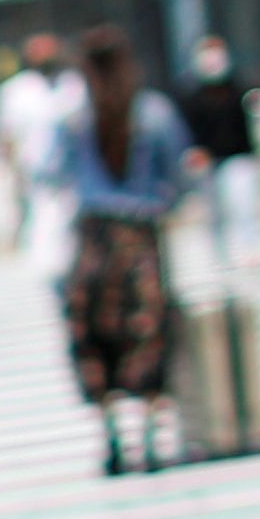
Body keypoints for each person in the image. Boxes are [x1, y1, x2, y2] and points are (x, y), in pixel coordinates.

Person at [51, 28, 197, 475]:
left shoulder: (74, 118)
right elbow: (182, 171)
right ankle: (152, 436)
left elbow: (52, 172)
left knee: (96, 335)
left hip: (94, 236)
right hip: (141, 235)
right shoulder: (152, 112)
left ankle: (112, 436)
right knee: (147, 331)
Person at [0, 30, 87, 286]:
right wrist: (11, 181)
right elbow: (8, 138)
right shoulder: (15, 92)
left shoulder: (74, 84)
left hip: (77, 179)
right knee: (46, 242)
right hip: (39, 182)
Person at [174, 32, 260, 255]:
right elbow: (187, 134)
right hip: (209, 164)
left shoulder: (238, 91)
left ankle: (249, 248)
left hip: (238, 158)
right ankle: (219, 254)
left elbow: (251, 124)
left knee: (243, 204)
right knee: (214, 213)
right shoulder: (192, 98)